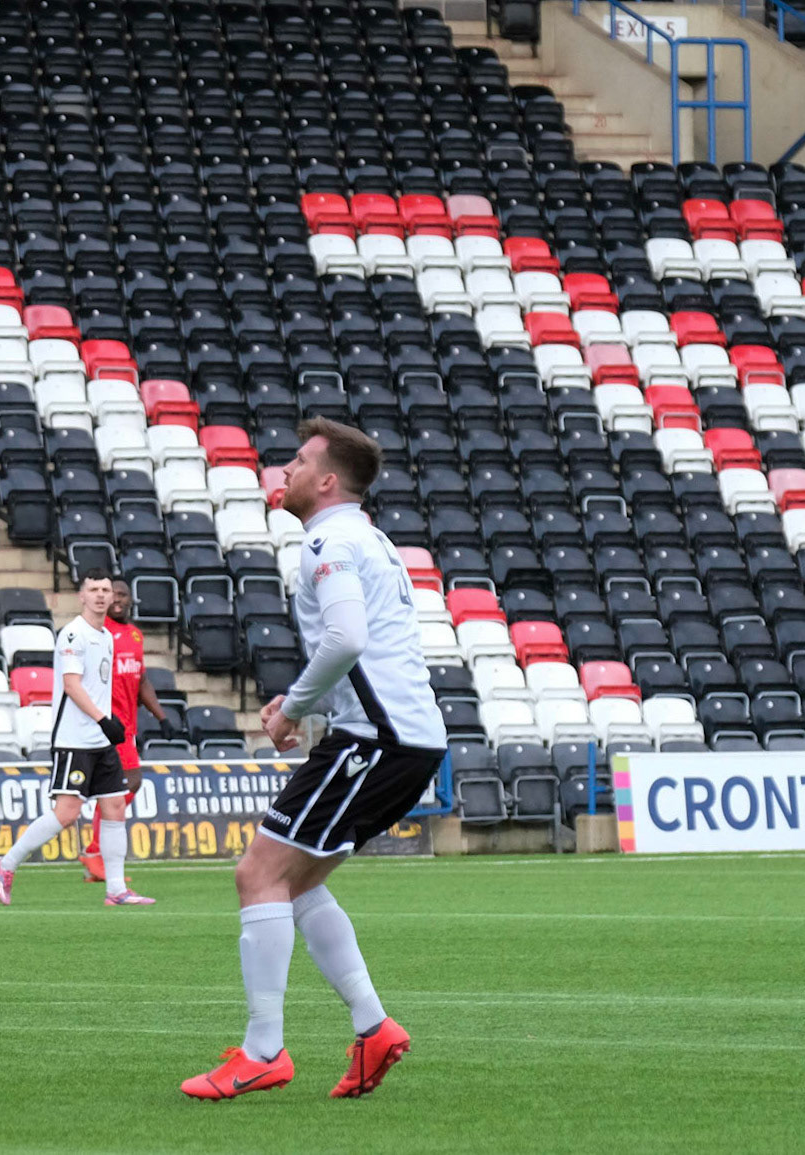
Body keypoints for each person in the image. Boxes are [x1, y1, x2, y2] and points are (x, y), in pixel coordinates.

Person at [181, 418, 447, 1101]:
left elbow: (346, 637)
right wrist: (301, 701)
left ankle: (263, 1048)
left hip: (375, 741)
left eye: (298, 461)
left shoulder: (328, 540)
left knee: (257, 872)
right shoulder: (369, 538)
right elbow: (359, 645)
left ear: (326, 479)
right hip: (401, 738)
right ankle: (372, 1027)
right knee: (292, 883)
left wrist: (296, 707)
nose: (285, 471)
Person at [0, 569, 154, 907]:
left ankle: (116, 889)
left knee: (114, 809)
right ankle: (5, 864)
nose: (100, 595)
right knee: (66, 813)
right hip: (74, 740)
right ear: (81, 596)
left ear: (112, 596)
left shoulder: (107, 636)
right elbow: (72, 685)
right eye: (93, 589)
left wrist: (108, 726)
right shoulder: (73, 635)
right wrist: (103, 719)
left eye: (105, 590)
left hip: (100, 740)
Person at [78, 576, 174, 884]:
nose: (116, 598)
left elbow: (141, 679)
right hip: (108, 724)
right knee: (123, 786)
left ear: (129, 599)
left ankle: (96, 858)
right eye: (111, 594)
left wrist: (161, 717)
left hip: (127, 726)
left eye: (122, 594)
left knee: (122, 788)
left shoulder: (133, 635)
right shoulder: (98, 633)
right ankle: (95, 854)